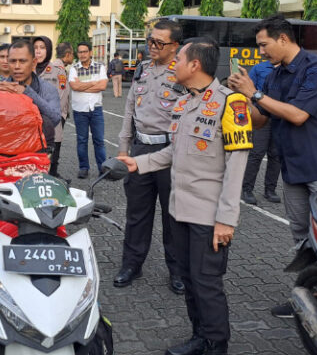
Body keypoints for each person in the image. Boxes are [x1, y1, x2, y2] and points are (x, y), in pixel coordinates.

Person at [118, 37, 252, 355]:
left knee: (207, 284)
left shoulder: (231, 103)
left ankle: (217, 345)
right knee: (190, 280)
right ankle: (200, 337)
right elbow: (172, 154)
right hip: (180, 211)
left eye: (178, 59)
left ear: (194, 65)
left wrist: (226, 220)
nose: (173, 65)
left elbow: (237, 167)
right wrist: (139, 162)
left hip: (209, 217)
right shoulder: (184, 103)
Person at [228, 14, 317, 319]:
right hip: (292, 167)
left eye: (263, 44)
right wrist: (240, 101)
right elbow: (261, 119)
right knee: (301, 236)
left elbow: (297, 115)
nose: (260, 52)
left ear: (283, 39)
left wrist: (254, 93)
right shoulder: (274, 75)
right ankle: (311, 298)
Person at [115, 19, 186, 293]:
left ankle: (178, 270)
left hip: (171, 152)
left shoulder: (182, 71)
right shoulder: (142, 69)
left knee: (173, 215)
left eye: (159, 42)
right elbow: (130, 109)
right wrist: (123, 148)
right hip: (140, 149)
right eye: (150, 41)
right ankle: (132, 264)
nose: (152, 46)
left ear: (175, 45)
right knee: (136, 213)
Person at [0, 40, 61, 145]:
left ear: (33, 63)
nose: (17, 66)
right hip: (2, 149)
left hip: (34, 150)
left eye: (22, 61)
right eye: (13, 61)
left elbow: (54, 119)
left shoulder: (47, 88)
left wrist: (28, 92)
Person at [240, 60, 282, 205]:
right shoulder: (259, 68)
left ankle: (270, 190)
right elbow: (247, 91)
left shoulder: (289, 69)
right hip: (261, 116)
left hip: (281, 117)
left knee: (276, 155)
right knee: (256, 153)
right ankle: (247, 189)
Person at [34, 37, 72, 179]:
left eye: (42, 48)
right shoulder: (26, 69)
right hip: (30, 122)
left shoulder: (57, 71)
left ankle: (53, 178)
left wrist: (53, 117)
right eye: (35, 47)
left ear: (48, 51)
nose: (38, 51)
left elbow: (61, 98)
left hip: (52, 120)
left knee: (52, 152)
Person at [69, 42, 108, 179]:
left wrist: (83, 85)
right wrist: (93, 83)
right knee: (82, 140)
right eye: (80, 52)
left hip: (96, 109)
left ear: (90, 52)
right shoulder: (74, 69)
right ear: (77, 54)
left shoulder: (100, 66)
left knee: (99, 140)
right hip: (80, 110)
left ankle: (103, 169)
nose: (83, 54)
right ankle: (83, 168)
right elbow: (74, 86)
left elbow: (103, 86)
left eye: (85, 51)